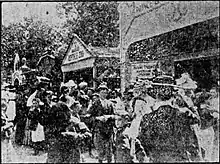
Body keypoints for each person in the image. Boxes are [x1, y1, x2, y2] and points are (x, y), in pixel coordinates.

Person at [138, 75, 201, 162]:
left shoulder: (147, 118)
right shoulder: (183, 116)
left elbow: (144, 144)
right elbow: (193, 146)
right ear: (172, 94)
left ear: (155, 95)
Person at [46, 91, 91, 163]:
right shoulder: (54, 125)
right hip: (60, 153)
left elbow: (88, 134)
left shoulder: (75, 121)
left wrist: (76, 136)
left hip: (70, 153)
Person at [87, 82, 116, 163]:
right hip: (99, 129)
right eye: (102, 92)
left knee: (109, 151)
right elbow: (89, 117)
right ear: (99, 93)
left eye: (105, 92)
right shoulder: (95, 103)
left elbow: (114, 115)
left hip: (108, 130)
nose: (104, 94)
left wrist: (109, 117)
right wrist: (98, 118)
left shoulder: (110, 103)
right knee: (100, 151)